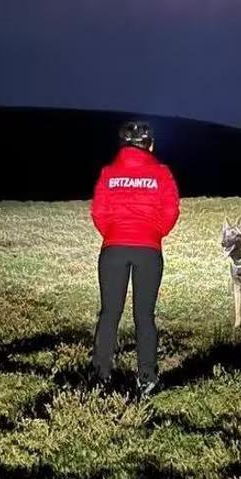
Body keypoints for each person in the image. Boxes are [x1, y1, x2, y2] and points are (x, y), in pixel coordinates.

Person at [89, 121, 180, 396]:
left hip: (113, 249)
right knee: (144, 316)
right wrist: (154, 233)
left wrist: (114, 233)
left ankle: (100, 374)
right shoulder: (162, 173)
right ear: (150, 146)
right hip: (148, 250)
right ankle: (147, 377)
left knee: (109, 314)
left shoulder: (108, 173)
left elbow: (98, 212)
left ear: (123, 146)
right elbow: (171, 210)